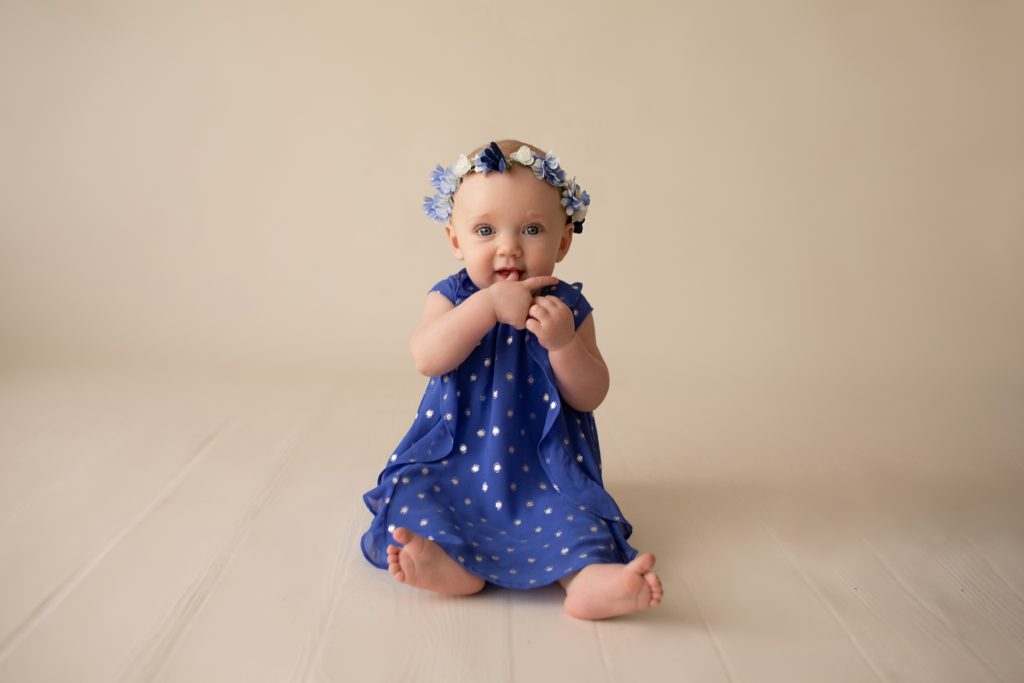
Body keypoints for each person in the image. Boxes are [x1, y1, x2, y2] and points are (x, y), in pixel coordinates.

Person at [360, 139, 663, 620]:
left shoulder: (568, 310)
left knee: (576, 520)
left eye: (532, 229)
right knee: (417, 500)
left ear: (563, 241)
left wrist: (564, 344)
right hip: (454, 463)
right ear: (455, 240)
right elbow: (426, 357)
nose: (509, 247)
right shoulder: (452, 298)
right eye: (485, 230)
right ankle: (449, 565)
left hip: (546, 474)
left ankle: (591, 581)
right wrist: (484, 308)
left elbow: (590, 394)